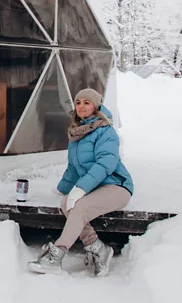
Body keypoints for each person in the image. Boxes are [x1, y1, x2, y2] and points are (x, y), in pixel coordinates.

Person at [27, 88, 134, 277]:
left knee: (79, 205)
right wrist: (63, 189)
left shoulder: (106, 131)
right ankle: (99, 248)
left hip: (116, 186)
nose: (82, 106)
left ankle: (57, 255)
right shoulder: (77, 134)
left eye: (87, 102)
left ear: (96, 106)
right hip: (95, 187)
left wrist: (81, 189)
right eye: (78, 103)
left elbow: (105, 165)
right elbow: (74, 168)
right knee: (66, 203)